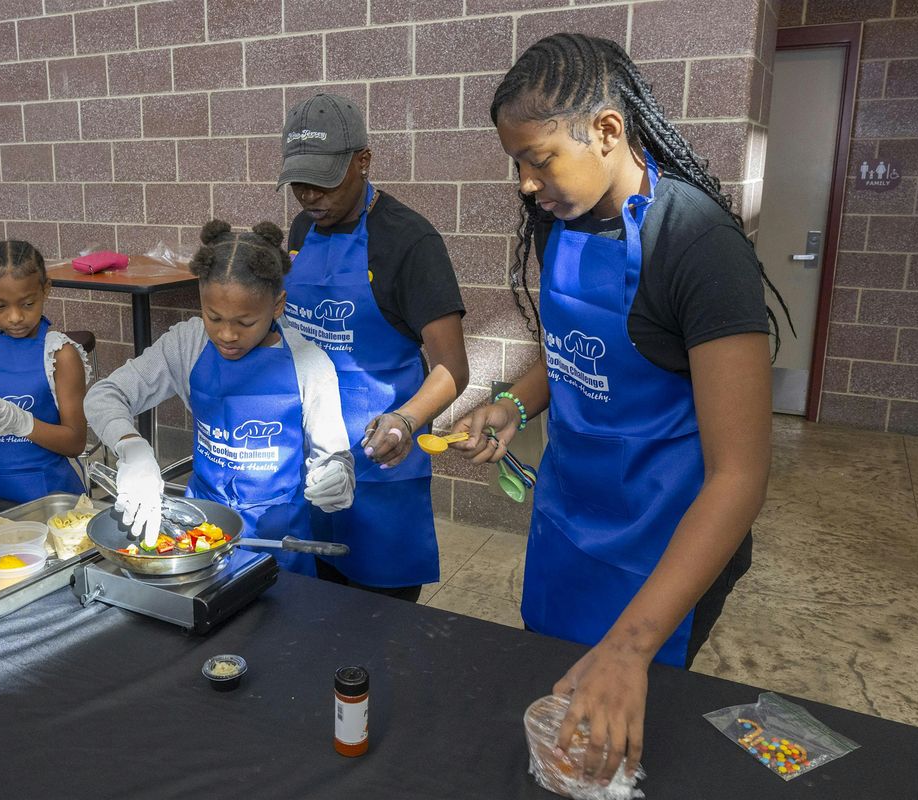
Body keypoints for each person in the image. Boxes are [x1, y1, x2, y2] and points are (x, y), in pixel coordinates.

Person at [453, 34, 784, 784]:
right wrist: (512, 402)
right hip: (570, 524)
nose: (527, 185)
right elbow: (574, 351)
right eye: (517, 164)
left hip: (667, 546)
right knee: (558, 719)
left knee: (628, 739)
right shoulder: (563, 220)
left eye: (539, 159)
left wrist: (633, 647)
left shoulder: (698, 244)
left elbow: (740, 476)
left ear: (606, 130)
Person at [278, 93, 469, 602]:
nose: (309, 196)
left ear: (363, 161)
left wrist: (405, 420)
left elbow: (453, 367)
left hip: (380, 463)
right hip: (311, 463)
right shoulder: (302, 230)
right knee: (305, 608)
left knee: (380, 628)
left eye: (323, 181)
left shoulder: (409, 241)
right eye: (299, 184)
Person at [84, 220, 354, 575]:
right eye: (214, 317)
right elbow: (104, 395)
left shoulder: (309, 364)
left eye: (244, 322)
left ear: (277, 306)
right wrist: (132, 447)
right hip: (200, 534)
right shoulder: (188, 344)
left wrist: (336, 477)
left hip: (279, 543)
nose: (227, 335)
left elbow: (334, 457)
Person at [0, 240, 90, 503]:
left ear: (45, 290)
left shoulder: (59, 354)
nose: (15, 317)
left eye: (27, 304)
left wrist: (23, 424)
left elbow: (76, 443)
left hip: (53, 499)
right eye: (0, 306)